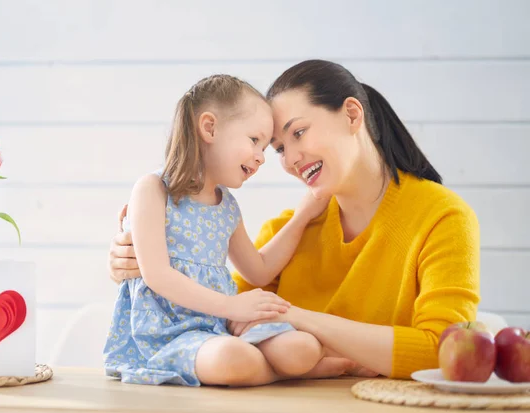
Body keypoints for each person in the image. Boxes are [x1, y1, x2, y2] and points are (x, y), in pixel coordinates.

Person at [108, 60, 481, 380]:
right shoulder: (288, 232)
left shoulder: (442, 218)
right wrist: (138, 261)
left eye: (298, 133)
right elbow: (228, 320)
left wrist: (301, 319)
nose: (288, 160)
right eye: (279, 148)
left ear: (352, 114)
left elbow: (444, 352)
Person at [104, 74, 333, 387]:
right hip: (168, 334)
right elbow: (157, 275)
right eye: (254, 140)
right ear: (209, 128)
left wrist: (303, 216)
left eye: (265, 148)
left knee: (302, 348)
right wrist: (232, 306)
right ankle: (287, 373)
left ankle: (293, 366)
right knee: (235, 359)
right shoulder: (153, 190)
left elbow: (260, 269)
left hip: (220, 327)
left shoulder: (227, 206)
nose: (261, 157)